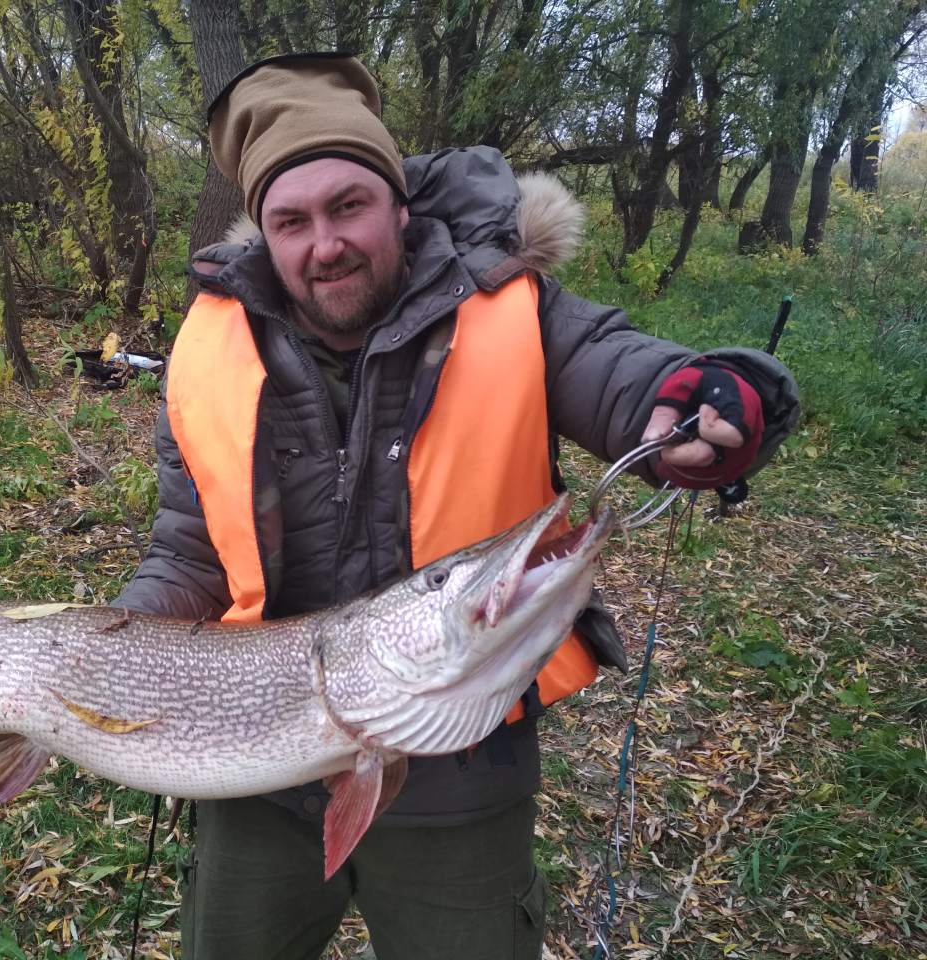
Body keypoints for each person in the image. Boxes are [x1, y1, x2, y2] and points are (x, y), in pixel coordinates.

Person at [112, 52, 799, 960]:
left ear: (398, 203)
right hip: (257, 777)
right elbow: (190, 553)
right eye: (293, 220)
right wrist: (109, 650)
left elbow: (623, 369)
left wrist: (714, 393)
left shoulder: (509, 303)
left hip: (462, 770)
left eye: (349, 205)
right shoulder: (209, 353)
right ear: (265, 234)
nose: (326, 244)